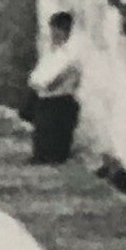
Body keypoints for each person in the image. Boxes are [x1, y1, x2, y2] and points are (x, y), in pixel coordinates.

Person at [27, 11, 83, 164]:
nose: (53, 36)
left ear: (65, 31)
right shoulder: (52, 52)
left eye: (56, 32)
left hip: (60, 100)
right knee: (41, 135)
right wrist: (37, 83)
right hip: (45, 99)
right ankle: (40, 157)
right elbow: (37, 75)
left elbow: (55, 81)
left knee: (56, 139)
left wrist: (42, 84)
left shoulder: (71, 55)